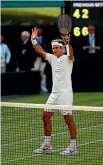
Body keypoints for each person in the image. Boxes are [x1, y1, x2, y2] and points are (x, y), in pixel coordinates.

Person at [31, 27, 77, 155]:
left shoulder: (68, 59)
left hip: (65, 95)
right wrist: (33, 39)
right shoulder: (52, 58)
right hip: (54, 94)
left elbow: (71, 53)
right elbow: (40, 51)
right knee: (45, 117)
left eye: (56, 47)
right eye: (53, 48)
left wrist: (68, 43)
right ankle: (47, 145)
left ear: (62, 48)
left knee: (68, 119)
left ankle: (73, 148)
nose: (54, 50)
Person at [32, 28, 48, 93]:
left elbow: (47, 49)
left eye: (40, 31)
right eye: (38, 31)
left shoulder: (45, 39)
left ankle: (43, 87)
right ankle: (36, 88)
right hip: (36, 59)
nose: (39, 32)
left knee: (42, 73)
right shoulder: (33, 39)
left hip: (43, 59)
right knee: (36, 72)